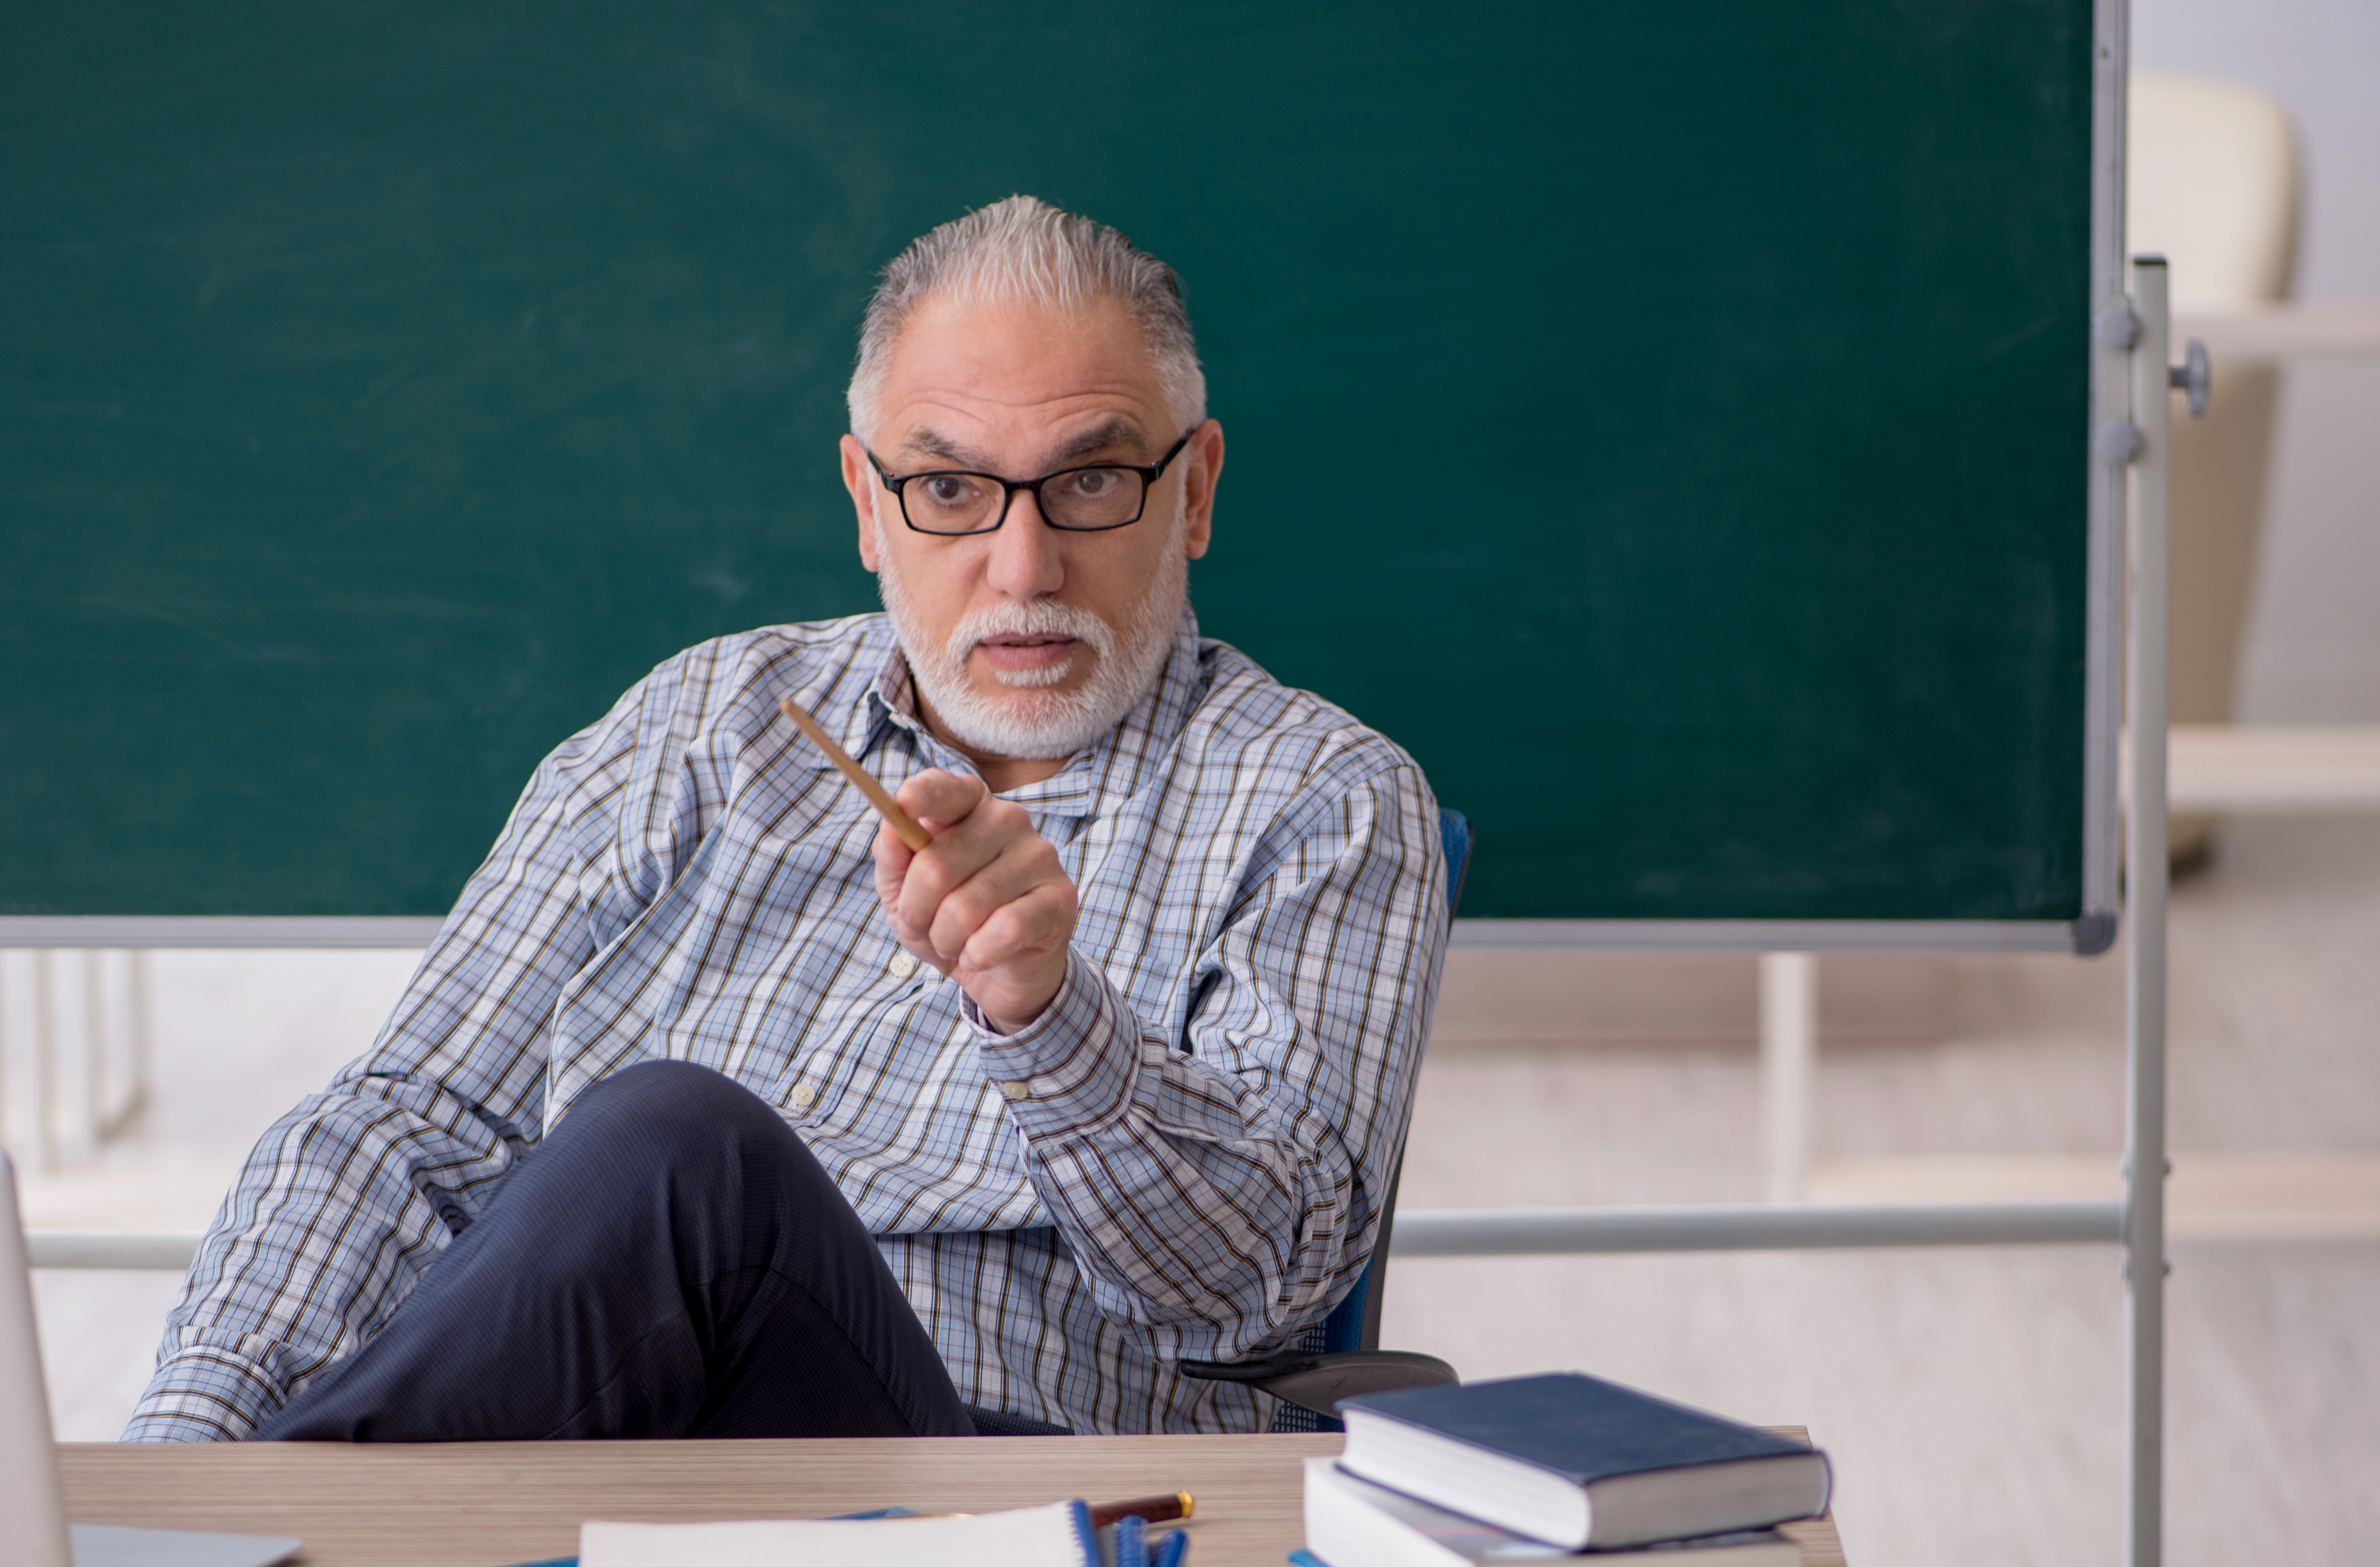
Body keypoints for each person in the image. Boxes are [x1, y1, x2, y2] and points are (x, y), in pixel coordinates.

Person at [123, 196, 1447, 1443]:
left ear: (1197, 489)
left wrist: (1050, 1023)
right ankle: (190, 1553)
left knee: (680, 1152)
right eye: (948, 490)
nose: (1025, 565)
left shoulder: (1323, 798)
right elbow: (402, 1130)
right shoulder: (701, 722)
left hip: (974, 1489)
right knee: (572, 1199)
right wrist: (185, 1445)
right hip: (578, 1448)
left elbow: (1266, 1281)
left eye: (1091, 482)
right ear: (870, 506)